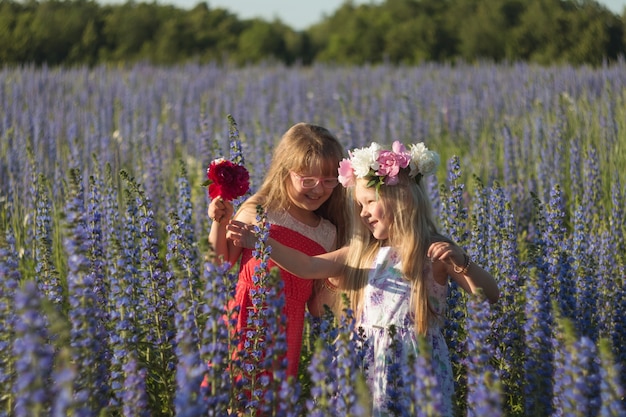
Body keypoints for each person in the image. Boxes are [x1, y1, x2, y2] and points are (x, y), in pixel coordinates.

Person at [226, 140, 499, 416]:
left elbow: (489, 294)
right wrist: (262, 241)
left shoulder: (432, 253)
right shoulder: (362, 253)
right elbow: (306, 265)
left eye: (370, 202)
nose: (363, 212)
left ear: (401, 199)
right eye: (359, 205)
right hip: (367, 365)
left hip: (418, 369)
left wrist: (462, 262)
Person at [207, 122, 351, 381]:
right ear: (285, 171)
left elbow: (318, 306)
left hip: (287, 335)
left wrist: (347, 280)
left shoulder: (328, 233)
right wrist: (219, 222)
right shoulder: (259, 210)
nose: (318, 189)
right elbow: (221, 263)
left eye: (328, 181)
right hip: (245, 323)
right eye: (307, 180)